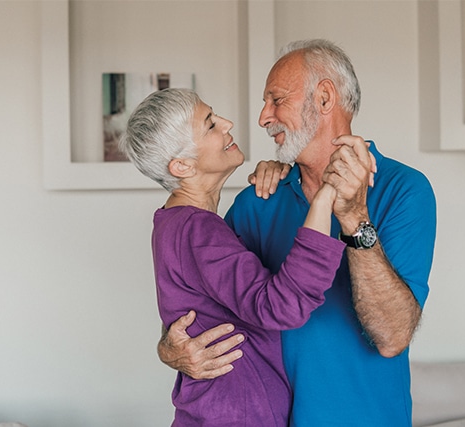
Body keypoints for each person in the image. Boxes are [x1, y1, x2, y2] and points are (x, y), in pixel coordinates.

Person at [158, 39, 437, 426]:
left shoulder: (405, 189)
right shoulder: (258, 200)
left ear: (324, 98)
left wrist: (355, 218)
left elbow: (392, 337)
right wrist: (170, 348)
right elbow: (205, 300)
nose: (262, 117)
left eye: (276, 100)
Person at [119, 88, 349, 426]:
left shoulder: (174, 224)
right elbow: (281, 306)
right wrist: (325, 197)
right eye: (210, 124)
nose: (227, 124)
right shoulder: (197, 231)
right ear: (182, 165)